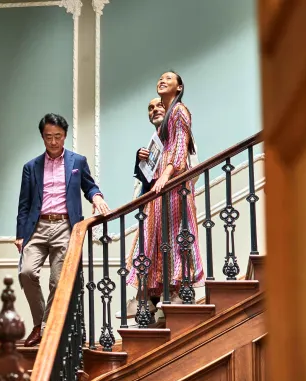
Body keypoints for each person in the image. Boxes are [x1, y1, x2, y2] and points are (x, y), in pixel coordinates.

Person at [16, 113, 110, 347]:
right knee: (26, 273)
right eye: (49, 137)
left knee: (58, 282)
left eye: (58, 136)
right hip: (37, 227)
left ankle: (44, 328)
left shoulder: (77, 162)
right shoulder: (31, 167)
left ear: (65, 136)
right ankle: (41, 323)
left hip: (65, 227)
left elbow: (90, 186)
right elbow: (24, 204)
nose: (54, 141)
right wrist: (20, 234)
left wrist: (96, 197)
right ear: (42, 137)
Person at [126, 72, 205, 312]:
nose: (162, 80)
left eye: (168, 78)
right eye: (159, 78)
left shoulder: (180, 111)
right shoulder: (160, 133)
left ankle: (179, 289)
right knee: (157, 241)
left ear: (179, 86)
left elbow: (181, 148)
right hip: (161, 189)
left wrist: (166, 175)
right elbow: (147, 173)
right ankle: (152, 296)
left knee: (176, 236)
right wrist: (145, 163)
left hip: (174, 186)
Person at [133, 98, 166, 199]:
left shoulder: (180, 135)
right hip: (155, 200)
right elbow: (146, 183)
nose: (155, 110)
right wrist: (140, 158)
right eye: (151, 108)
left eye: (159, 105)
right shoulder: (152, 144)